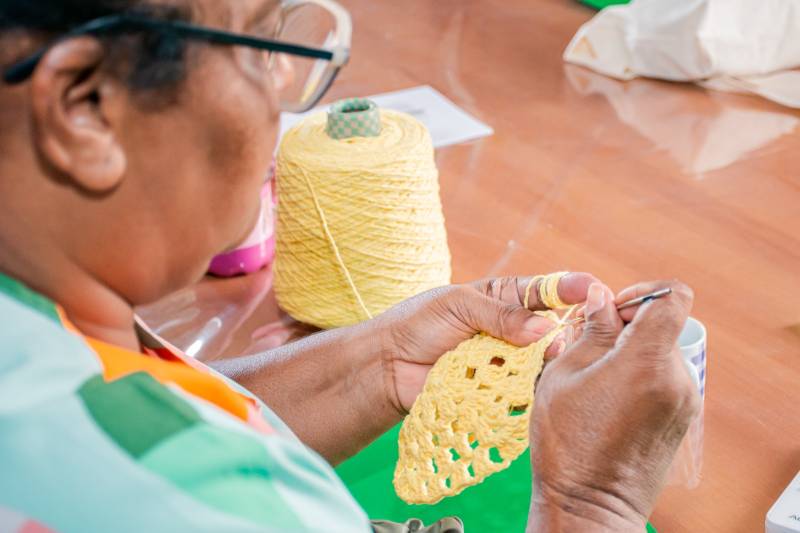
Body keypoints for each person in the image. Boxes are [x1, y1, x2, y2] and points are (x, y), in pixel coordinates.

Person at [0, 1, 700, 532]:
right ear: (86, 108)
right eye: (262, 47)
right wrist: (592, 501)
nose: (280, 99)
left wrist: (379, 363)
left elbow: (143, 399)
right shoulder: (203, 504)